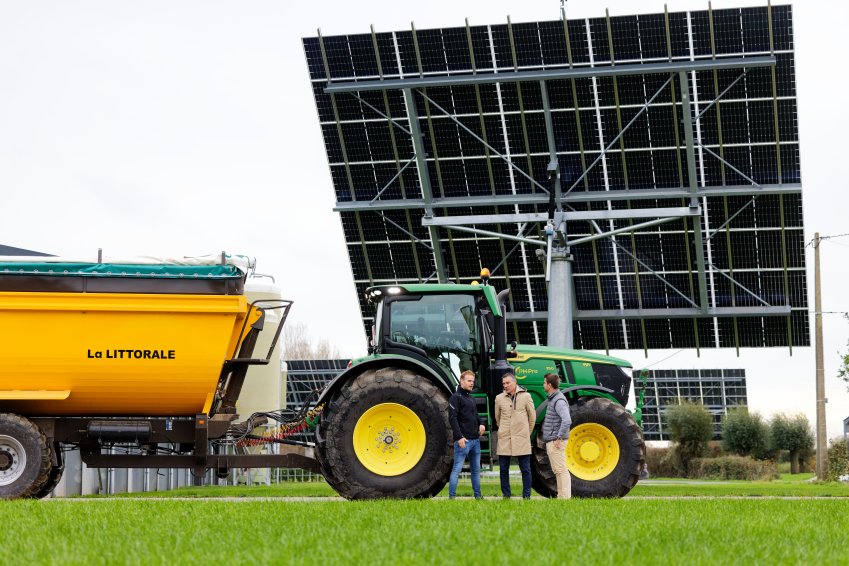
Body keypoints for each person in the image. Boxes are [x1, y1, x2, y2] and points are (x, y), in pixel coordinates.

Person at [494, 372, 535, 499]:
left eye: (507, 383)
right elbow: (498, 418)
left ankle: (526, 496)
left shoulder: (526, 396)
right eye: (503, 383)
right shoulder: (499, 398)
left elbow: (532, 417)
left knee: (525, 469)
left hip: (522, 438)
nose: (505, 385)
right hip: (505, 438)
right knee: (503, 469)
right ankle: (506, 496)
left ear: (514, 382)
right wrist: (504, 430)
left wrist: (525, 433)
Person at [448, 370, 486, 499]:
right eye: (469, 381)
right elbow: (452, 418)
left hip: (475, 441)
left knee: (476, 471)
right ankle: (452, 498)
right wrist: (459, 437)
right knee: (456, 471)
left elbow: (475, 415)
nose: (472, 384)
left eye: (473, 381)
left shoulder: (471, 398)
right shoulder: (455, 398)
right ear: (461, 381)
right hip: (463, 441)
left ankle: (478, 497)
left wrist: (481, 423)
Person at [541, 372, 572, 499]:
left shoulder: (558, 400)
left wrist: (559, 437)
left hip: (556, 441)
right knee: (558, 471)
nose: (543, 385)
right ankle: (562, 496)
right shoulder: (553, 398)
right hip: (553, 440)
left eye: (544, 383)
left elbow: (567, 420)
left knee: (561, 470)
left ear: (549, 385)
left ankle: (564, 497)